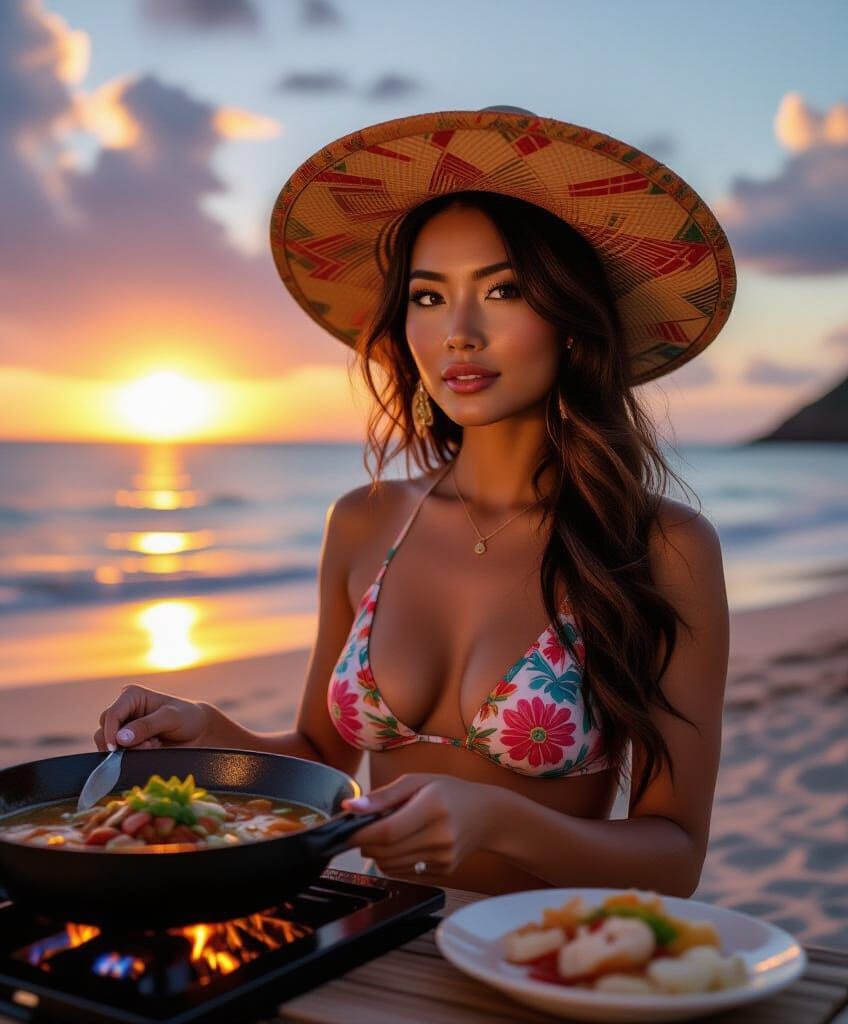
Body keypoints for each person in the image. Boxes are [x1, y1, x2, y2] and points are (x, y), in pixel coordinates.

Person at [95, 105, 735, 898]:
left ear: (571, 322)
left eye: (503, 290)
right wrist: (208, 737)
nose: (459, 333)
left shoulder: (661, 547)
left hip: (542, 962)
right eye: (429, 298)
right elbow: (322, 762)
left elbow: (674, 855)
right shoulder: (364, 522)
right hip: (372, 952)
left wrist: (500, 821)